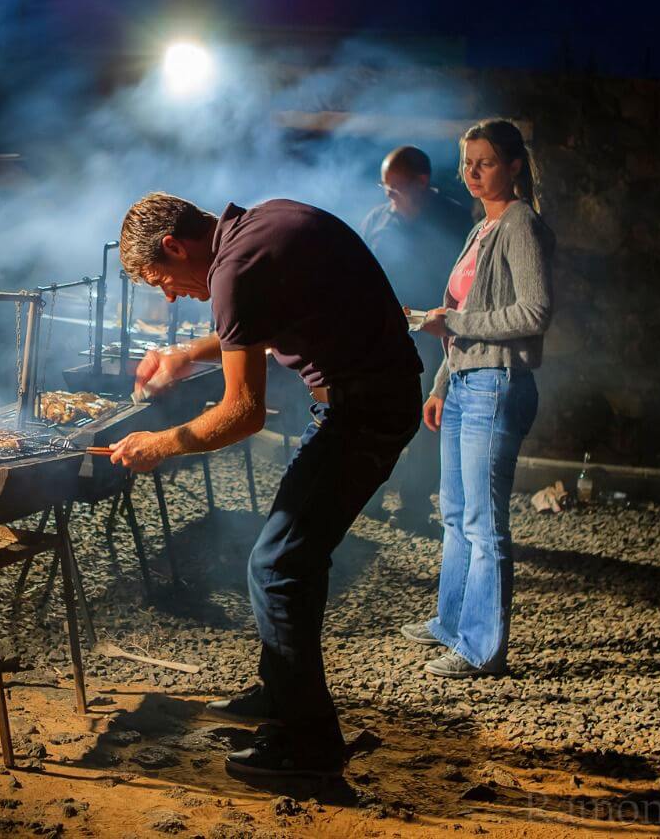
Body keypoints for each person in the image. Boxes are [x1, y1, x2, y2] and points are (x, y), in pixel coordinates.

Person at [108, 193, 423, 779]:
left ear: (176, 246)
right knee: (291, 557)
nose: (170, 294)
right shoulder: (263, 225)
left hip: (363, 410)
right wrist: (185, 356)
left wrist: (161, 443)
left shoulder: (232, 270)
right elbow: (258, 325)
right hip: (375, 396)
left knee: (277, 565)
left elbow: (242, 413)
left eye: (162, 279)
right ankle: (282, 694)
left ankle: (310, 747)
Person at [405, 118, 554, 679]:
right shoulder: (482, 227)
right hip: (468, 383)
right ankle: (451, 624)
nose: (471, 173)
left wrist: (456, 321)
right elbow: (461, 324)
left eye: (484, 162)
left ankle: (483, 648)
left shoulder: (520, 224)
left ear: (513, 166)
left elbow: (534, 312)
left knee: (484, 522)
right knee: (455, 512)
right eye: (467, 162)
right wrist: (442, 383)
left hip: (498, 383)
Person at [359, 146, 474, 533]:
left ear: (422, 183)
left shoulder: (456, 220)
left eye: (396, 187)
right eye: (384, 186)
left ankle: (414, 502)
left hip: (432, 337)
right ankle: (367, 495)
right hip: (382, 338)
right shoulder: (376, 221)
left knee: (427, 421)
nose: (388, 194)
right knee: (374, 417)